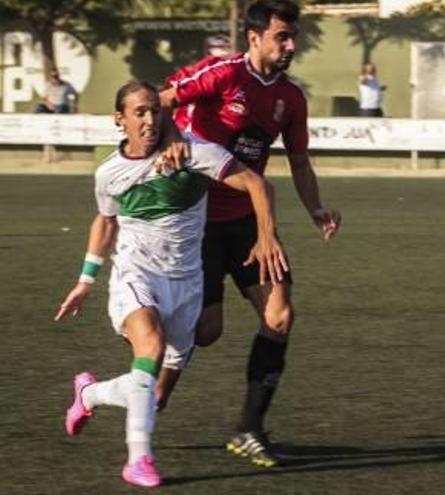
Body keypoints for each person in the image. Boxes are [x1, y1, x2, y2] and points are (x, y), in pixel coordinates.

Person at [55, 80, 286, 488]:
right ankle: (139, 460)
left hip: (187, 283)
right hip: (135, 275)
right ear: (119, 120)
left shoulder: (194, 153)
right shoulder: (109, 172)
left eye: (154, 111)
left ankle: (88, 395)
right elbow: (105, 220)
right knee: (150, 346)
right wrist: (86, 279)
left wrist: (266, 236)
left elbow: (254, 183)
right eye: (139, 112)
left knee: (153, 399)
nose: (148, 119)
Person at [156, 0, 341, 467]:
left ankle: (249, 429)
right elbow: (160, 103)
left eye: (293, 37)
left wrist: (315, 206)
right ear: (254, 37)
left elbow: (299, 161)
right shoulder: (222, 74)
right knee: (205, 332)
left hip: (247, 221)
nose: (291, 46)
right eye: (282, 36)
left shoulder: (291, 99)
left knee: (279, 316)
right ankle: (144, 382)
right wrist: (174, 138)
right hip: (195, 220)